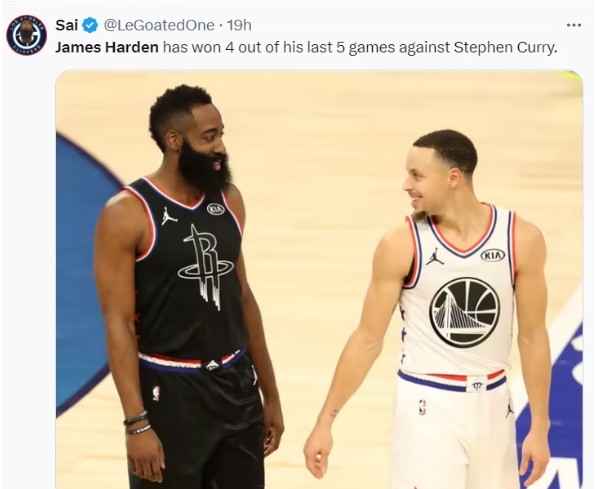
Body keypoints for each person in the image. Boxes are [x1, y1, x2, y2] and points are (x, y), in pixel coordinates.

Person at [303, 129, 552, 489]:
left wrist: (540, 425)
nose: (406, 185)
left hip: (496, 404)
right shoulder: (400, 243)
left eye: (417, 175)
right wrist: (325, 421)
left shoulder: (521, 238)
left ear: (453, 177)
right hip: (427, 407)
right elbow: (367, 339)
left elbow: (532, 337)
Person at [93, 84, 284, 489]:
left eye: (221, 134)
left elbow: (242, 298)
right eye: (209, 137)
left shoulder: (229, 200)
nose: (221, 148)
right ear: (174, 141)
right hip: (169, 392)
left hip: (236, 386)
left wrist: (271, 395)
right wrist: (136, 423)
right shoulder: (127, 213)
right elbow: (118, 324)